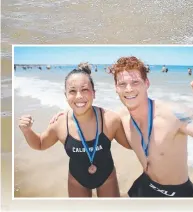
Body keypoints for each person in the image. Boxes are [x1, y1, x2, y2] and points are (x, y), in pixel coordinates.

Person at [110, 56, 193, 198]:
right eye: (122, 84)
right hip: (145, 183)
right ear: (115, 88)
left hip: (175, 193)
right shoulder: (120, 118)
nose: (129, 89)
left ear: (147, 83)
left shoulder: (174, 115)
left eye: (135, 82)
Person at [17, 63, 128, 197]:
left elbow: (130, 144)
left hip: (107, 178)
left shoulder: (110, 120)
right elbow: (40, 144)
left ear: (94, 93)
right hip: (77, 180)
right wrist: (27, 131)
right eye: (72, 91)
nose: (79, 96)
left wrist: (132, 114)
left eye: (85, 89)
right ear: (66, 95)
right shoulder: (60, 123)